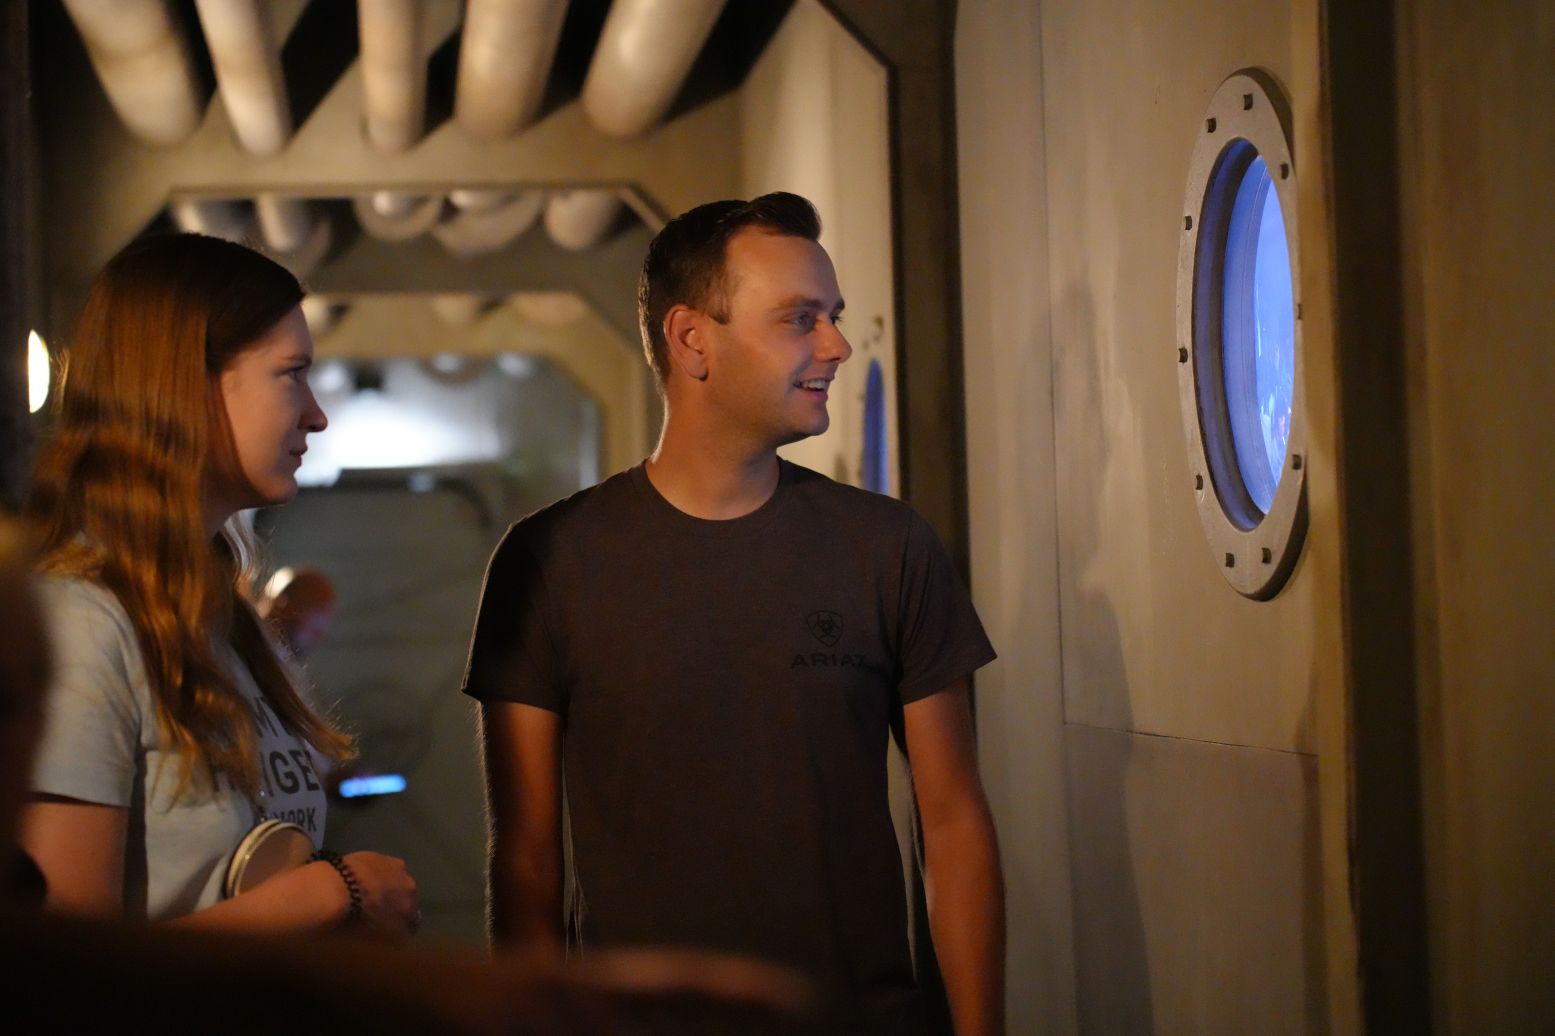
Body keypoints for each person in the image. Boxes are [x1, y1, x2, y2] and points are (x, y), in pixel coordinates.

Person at [465, 193, 1006, 1033]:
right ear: (692, 340)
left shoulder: (887, 546)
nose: (836, 345)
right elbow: (527, 864)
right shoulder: (548, 562)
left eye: (832, 317)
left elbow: (954, 822)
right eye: (800, 320)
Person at [19, 233, 419, 937]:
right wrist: (332, 892)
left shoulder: (210, 614)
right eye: (290, 373)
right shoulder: (81, 622)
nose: (316, 413)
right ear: (187, 384)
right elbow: (66, 978)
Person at [259, 565, 338, 659]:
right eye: (314, 628)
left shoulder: (278, 659)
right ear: (283, 604)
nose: (318, 637)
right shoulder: (247, 654)